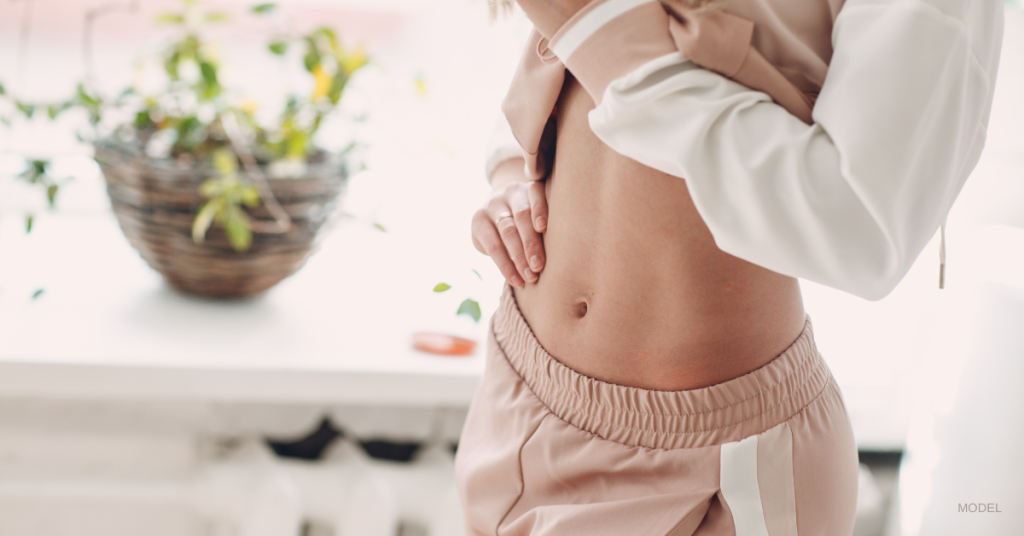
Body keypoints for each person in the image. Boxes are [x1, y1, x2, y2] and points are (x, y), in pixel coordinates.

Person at [455, 0, 1003, 534]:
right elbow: (565, 36)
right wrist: (512, 171)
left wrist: (609, 42)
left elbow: (864, 227)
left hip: (711, 469)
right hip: (517, 387)